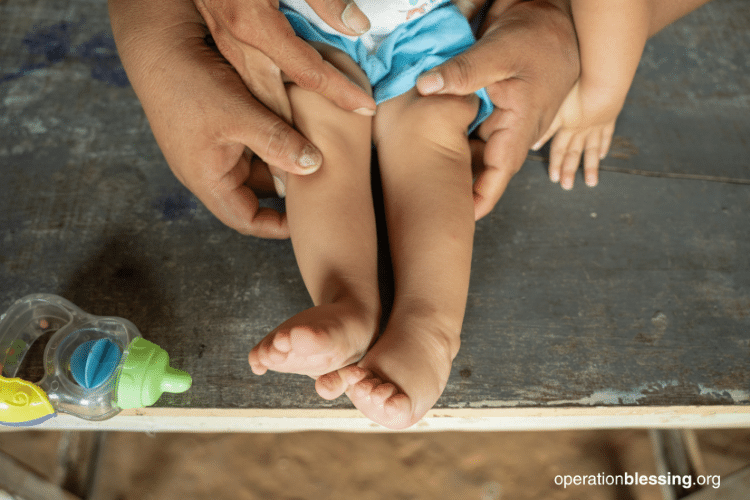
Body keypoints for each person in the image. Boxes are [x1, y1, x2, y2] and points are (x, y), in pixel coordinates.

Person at [109, 0, 713, 426]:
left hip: (429, 26)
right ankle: (347, 306)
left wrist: (601, 88)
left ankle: (428, 329)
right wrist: (155, 35)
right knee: (315, 142)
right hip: (299, 30)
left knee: (430, 136)